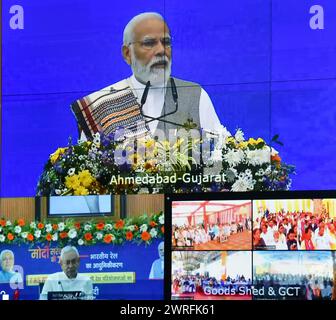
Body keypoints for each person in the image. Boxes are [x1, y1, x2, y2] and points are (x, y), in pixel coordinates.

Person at [72, 12, 222, 141]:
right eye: (149, 43)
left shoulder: (194, 95)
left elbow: (219, 159)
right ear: (127, 53)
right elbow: (88, 169)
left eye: (166, 42)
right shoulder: (101, 105)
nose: (161, 51)